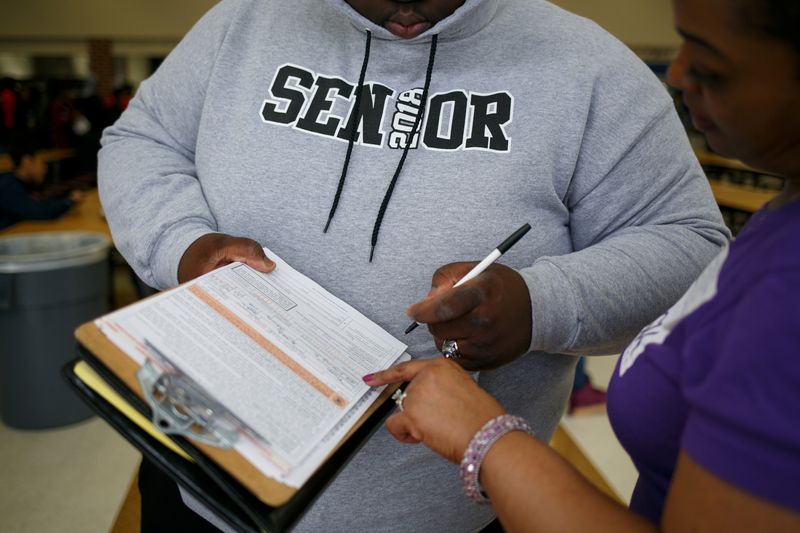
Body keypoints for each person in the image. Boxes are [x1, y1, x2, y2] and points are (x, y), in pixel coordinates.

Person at [97, 0, 729, 531]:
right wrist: (182, 244)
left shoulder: (589, 68)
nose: (405, 10)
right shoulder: (243, 22)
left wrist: (540, 306)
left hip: (443, 514)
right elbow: (141, 141)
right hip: (200, 483)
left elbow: (694, 247)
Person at [364, 0, 800, 530]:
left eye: (711, 62)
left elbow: (689, 245)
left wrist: (487, 439)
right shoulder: (781, 224)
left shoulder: (785, 290)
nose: (679, 75)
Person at [0, 139, 82, 229]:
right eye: (42, 162)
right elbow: (41, 213)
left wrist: (67, 201)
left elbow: (44, 204)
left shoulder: (24, 183)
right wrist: (69, 201)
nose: (45, 168)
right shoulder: (8, 187)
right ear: (27, 162)